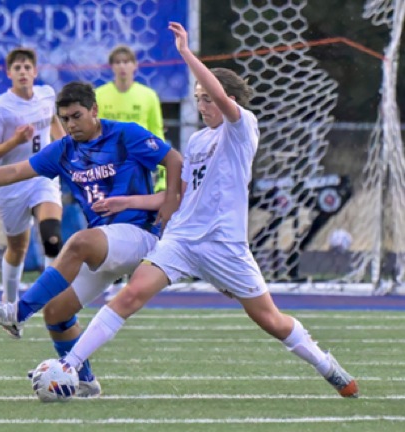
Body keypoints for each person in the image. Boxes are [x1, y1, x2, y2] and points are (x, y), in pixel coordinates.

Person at [60, 22, 359, 399]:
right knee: (130, 296)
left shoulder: (242, 127)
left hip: (224, 245)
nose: (202, 106)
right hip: (183, 240)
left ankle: (325, 365)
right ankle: (68, 365)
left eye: (207, 99)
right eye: (198, 99)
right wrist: (128, 202)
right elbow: (181, 196)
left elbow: (219, 93)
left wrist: (186, 53)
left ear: (228, 100)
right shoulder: (198, 140)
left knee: (270, 320)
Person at [0, 81, 182, 397]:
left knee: (77, 242)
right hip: (104, 245)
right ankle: (85, 380)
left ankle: (17, 313)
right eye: (64, 119)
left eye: (76, 116)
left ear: (94, 110)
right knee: (56, 313)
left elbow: (174, 160)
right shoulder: (64, 151)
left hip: (139, 235)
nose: (71, 124)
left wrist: (169, 201)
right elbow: (13, 172)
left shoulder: (125, 135)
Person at [0, 48, 65, 307]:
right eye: (17, 68)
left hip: (44, 176)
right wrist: (15, 141)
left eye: (27, 67)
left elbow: (53, 120)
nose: (23, 72)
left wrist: (65, 146)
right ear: (9, 73)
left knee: (52, 238)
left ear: (35, 72)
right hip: (12, 182)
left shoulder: (47, 95)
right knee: (17, 248)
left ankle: (52, 302)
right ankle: (9, 302)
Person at [96, 44, 167, 300]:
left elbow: (157, 133)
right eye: (118, 62)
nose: (123, 67)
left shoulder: (148, 96)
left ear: (135, 66)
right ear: (111, 67)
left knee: (136, 223)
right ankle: (112, 279)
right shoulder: (100, 95)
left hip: (139, 171)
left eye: (127, 62)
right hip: (109, 170)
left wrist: (162, 173)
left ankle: (133, 280)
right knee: (109, 221)